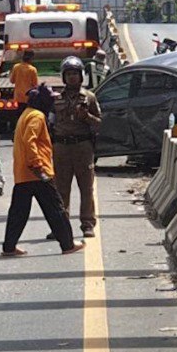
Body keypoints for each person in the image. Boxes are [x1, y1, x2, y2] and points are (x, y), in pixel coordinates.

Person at [3, 84, 84, 257]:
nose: (53, 103)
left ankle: (9, 247)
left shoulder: (26, 114)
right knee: (56, 209)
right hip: (38, 173)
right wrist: (37, 165)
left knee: (18, 212)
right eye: (51, 99)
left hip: (23, 174)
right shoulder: (37, 116)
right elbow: (29, 140)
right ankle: (68, 244)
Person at [51, 56, 102, 238]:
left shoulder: (89, 97)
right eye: (69, 74)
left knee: (86, 188)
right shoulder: (55, 98)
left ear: (81, 76)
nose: (72, 77)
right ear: (64, 77)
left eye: (75, 74)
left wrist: (86, 116)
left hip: (82, 147)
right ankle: (61, 225)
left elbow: (99, 124)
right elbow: (49, 124)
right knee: (60, 189)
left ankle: (87, 223)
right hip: (61, 148)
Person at [9, 50, 39, 116]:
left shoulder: (16, 67)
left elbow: (12, 81)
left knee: (19, 115)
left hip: (18, 97)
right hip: (28, 97)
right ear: (31, 58)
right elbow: (35, 85)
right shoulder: (32, 69)